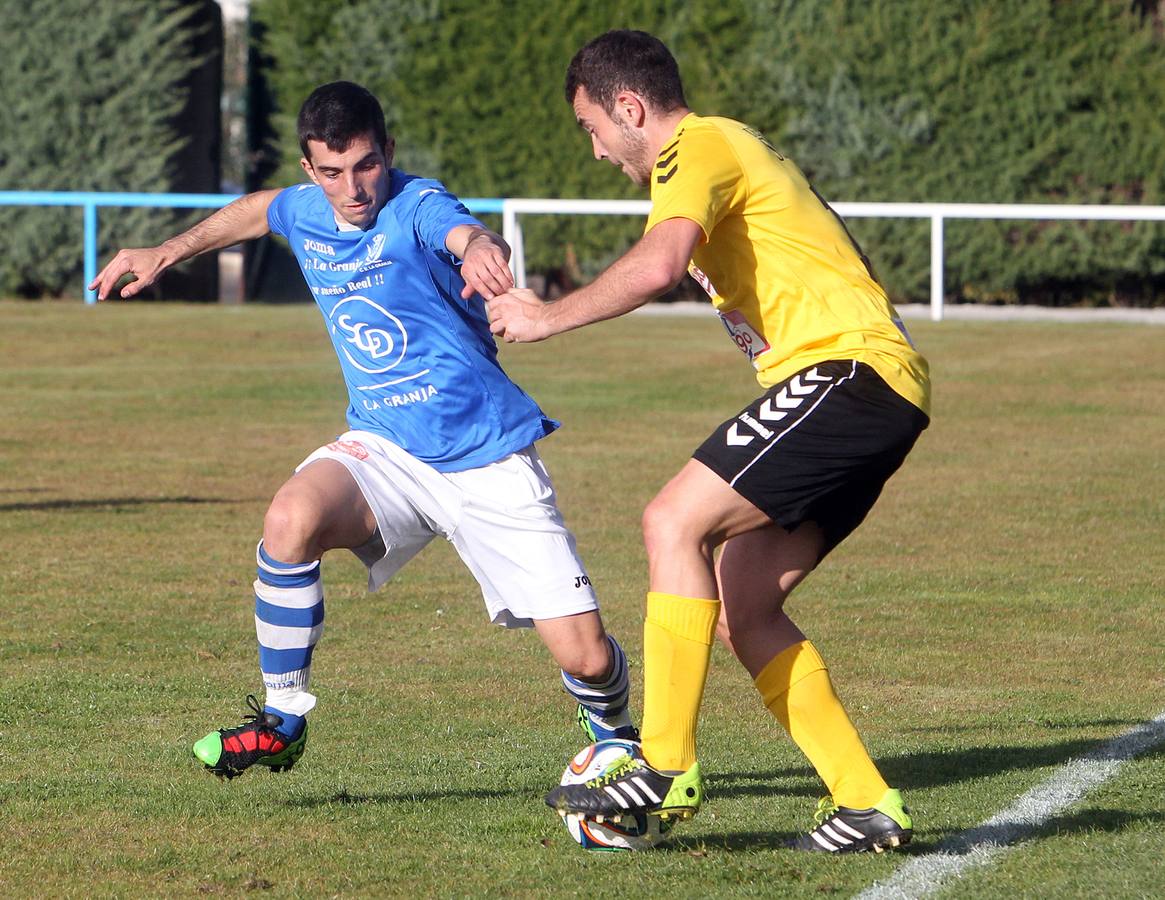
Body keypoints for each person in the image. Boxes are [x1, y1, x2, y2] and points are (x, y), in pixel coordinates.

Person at [90, 80, 636, 781]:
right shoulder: (305, 208)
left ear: (389, 152)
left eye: (366, 165)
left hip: (483, 453)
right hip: (384, 446)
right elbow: (260, 210)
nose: (353, 188)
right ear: (310, 171)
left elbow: (463, 230)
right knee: (289, 517)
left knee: (584, 656)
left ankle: (617, 736)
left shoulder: (415, 205)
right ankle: (283, 719)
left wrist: (476, 249)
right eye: (331, 171)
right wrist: (166, 251)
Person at [487, 31, 930, 854]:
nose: (593, 151)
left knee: (670, 522)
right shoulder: (721, 147)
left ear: (630, 108)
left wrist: (545, 314)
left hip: (852, 374)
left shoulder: (693, 146)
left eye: (590, 128)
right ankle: (869, 805)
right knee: (743, 607)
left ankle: (663, 764)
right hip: (873, 388)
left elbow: (658, 266)